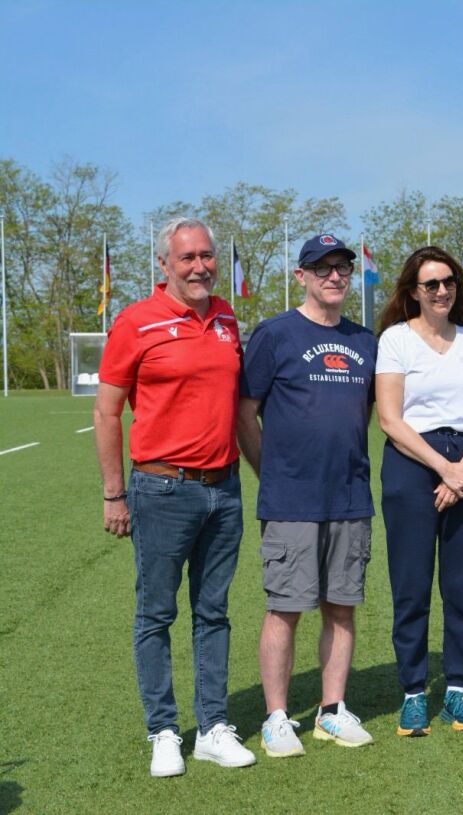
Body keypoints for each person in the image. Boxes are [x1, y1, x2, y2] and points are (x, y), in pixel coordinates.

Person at [93, 217, 255, 776]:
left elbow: (239, 409)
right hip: (160, 489)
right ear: (164, 264)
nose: (199, 266)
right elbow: (106, 410)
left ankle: (211, 726)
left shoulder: (228, 319)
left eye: (206, 256)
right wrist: (115, 494)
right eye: (186, 258)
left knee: (214, 612)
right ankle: (163, 730)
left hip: (224, 490)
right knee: (156, 613)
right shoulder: (136, 321)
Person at [236, 234, 378, 757]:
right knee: (286, 608)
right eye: (322, 268)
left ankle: (331, 711)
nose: (335, 276)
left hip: (349, 497)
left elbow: (362, 414)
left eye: (342, 267)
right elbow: (244, 414)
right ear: (301, 276)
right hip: (290, 499)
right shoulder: (274, 334)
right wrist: (269, 469)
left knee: (341, 608)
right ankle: (276, 717)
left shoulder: (365, 340)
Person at [375, 246, 463, 736]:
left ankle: (457, 692)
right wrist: (443, 468)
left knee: (461, 589)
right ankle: (412, 693)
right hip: (412, 463)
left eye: (449, 282)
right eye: (431, 284)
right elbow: (389, 418)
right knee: (412, 587)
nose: (442, 291)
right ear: (413, 292)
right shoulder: (395, 340)